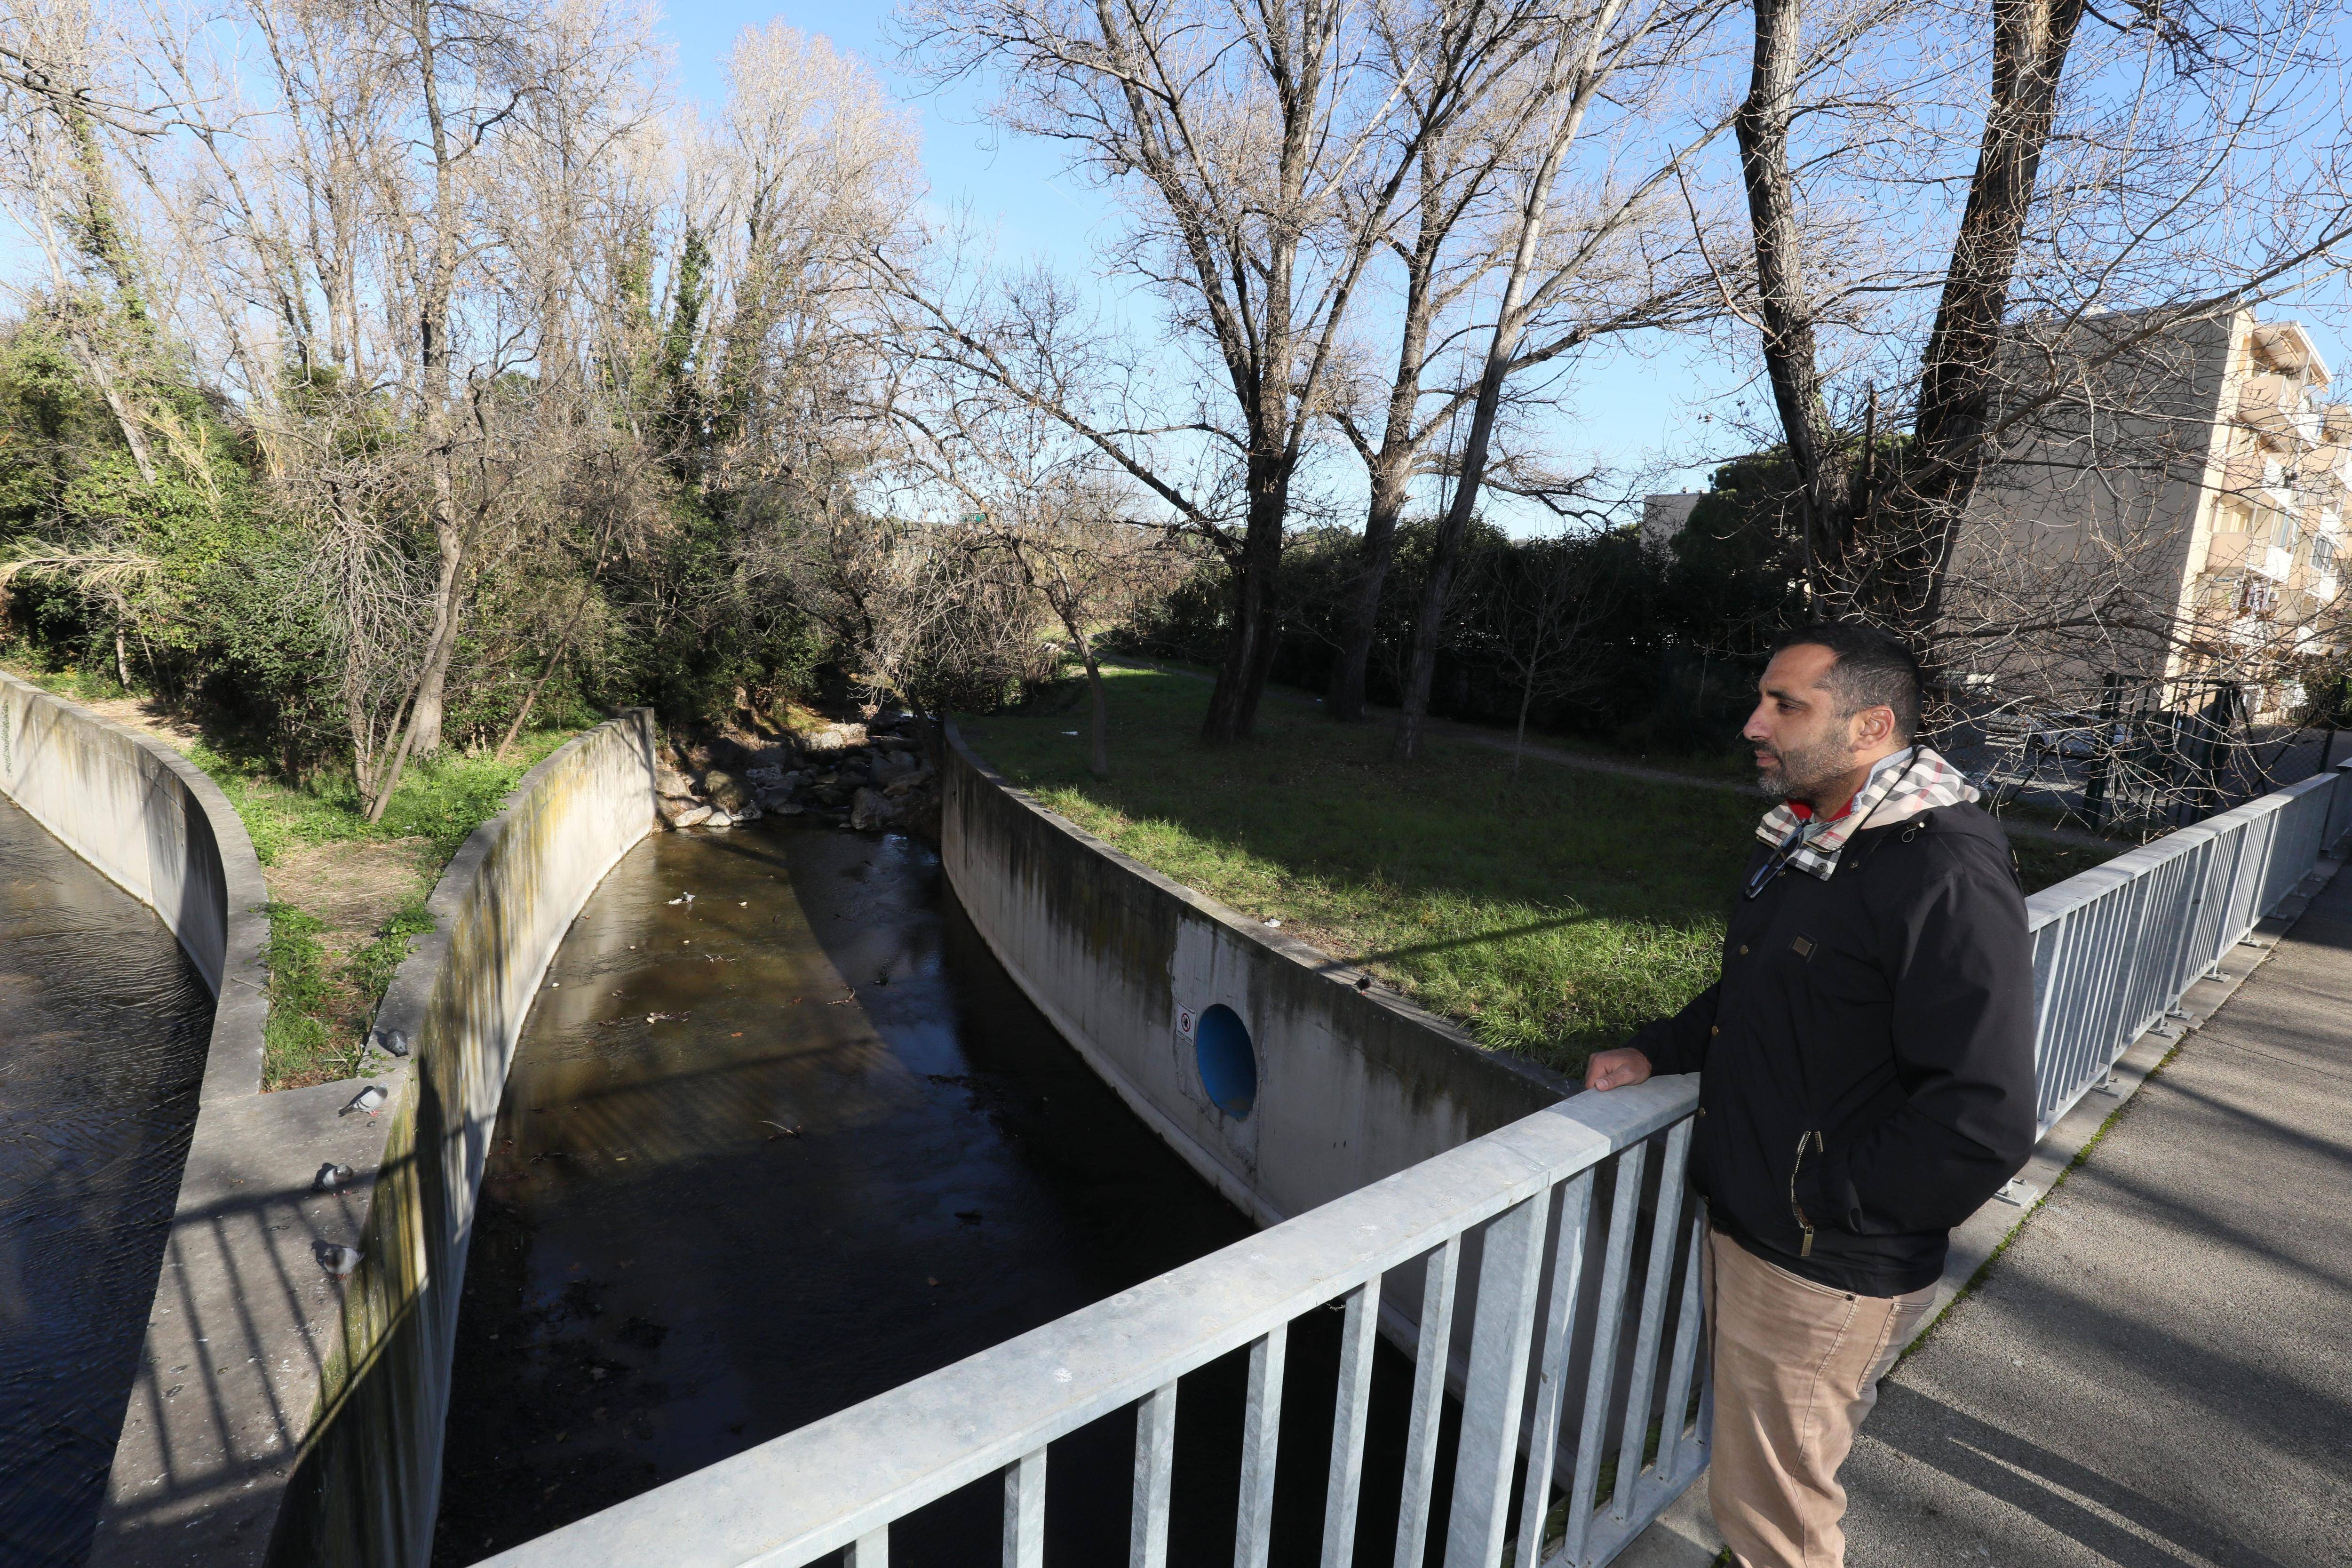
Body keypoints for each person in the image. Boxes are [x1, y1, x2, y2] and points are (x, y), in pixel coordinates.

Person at [1584, 623, 2036, 1568]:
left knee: (1773, 1527)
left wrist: (1816, 1203)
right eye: (1761, 698)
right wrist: (1657, 1047)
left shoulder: (1938, 866)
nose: (1755, 721)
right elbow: (1765, 987)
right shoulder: (1819, 834)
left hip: (1817, 1262)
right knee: (1758, 1491)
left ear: (1870, 726)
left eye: (1785, 704)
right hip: (1764, 1230)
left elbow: (1982, 1115)